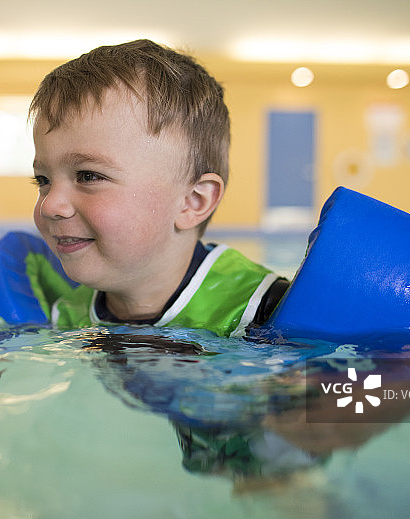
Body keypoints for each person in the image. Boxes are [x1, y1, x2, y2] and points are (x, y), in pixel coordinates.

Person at [27, 39, 288, 337]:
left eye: (88, 176)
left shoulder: (266, 312)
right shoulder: (66, 315)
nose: (49, 206)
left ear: (193, 201)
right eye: (43, 180)